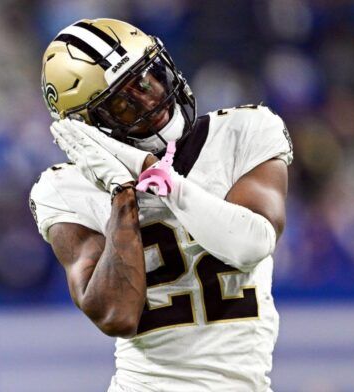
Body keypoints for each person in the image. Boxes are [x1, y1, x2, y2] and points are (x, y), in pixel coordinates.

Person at [29, 18, 293, 391]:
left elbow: (250, 245)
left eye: (148, 76)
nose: (150, 100)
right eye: (122, 103)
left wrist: (153, 175)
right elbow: (115, 315)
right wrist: (122, 194)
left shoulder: (245, 131)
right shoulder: (64, 187)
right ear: (90, 126)